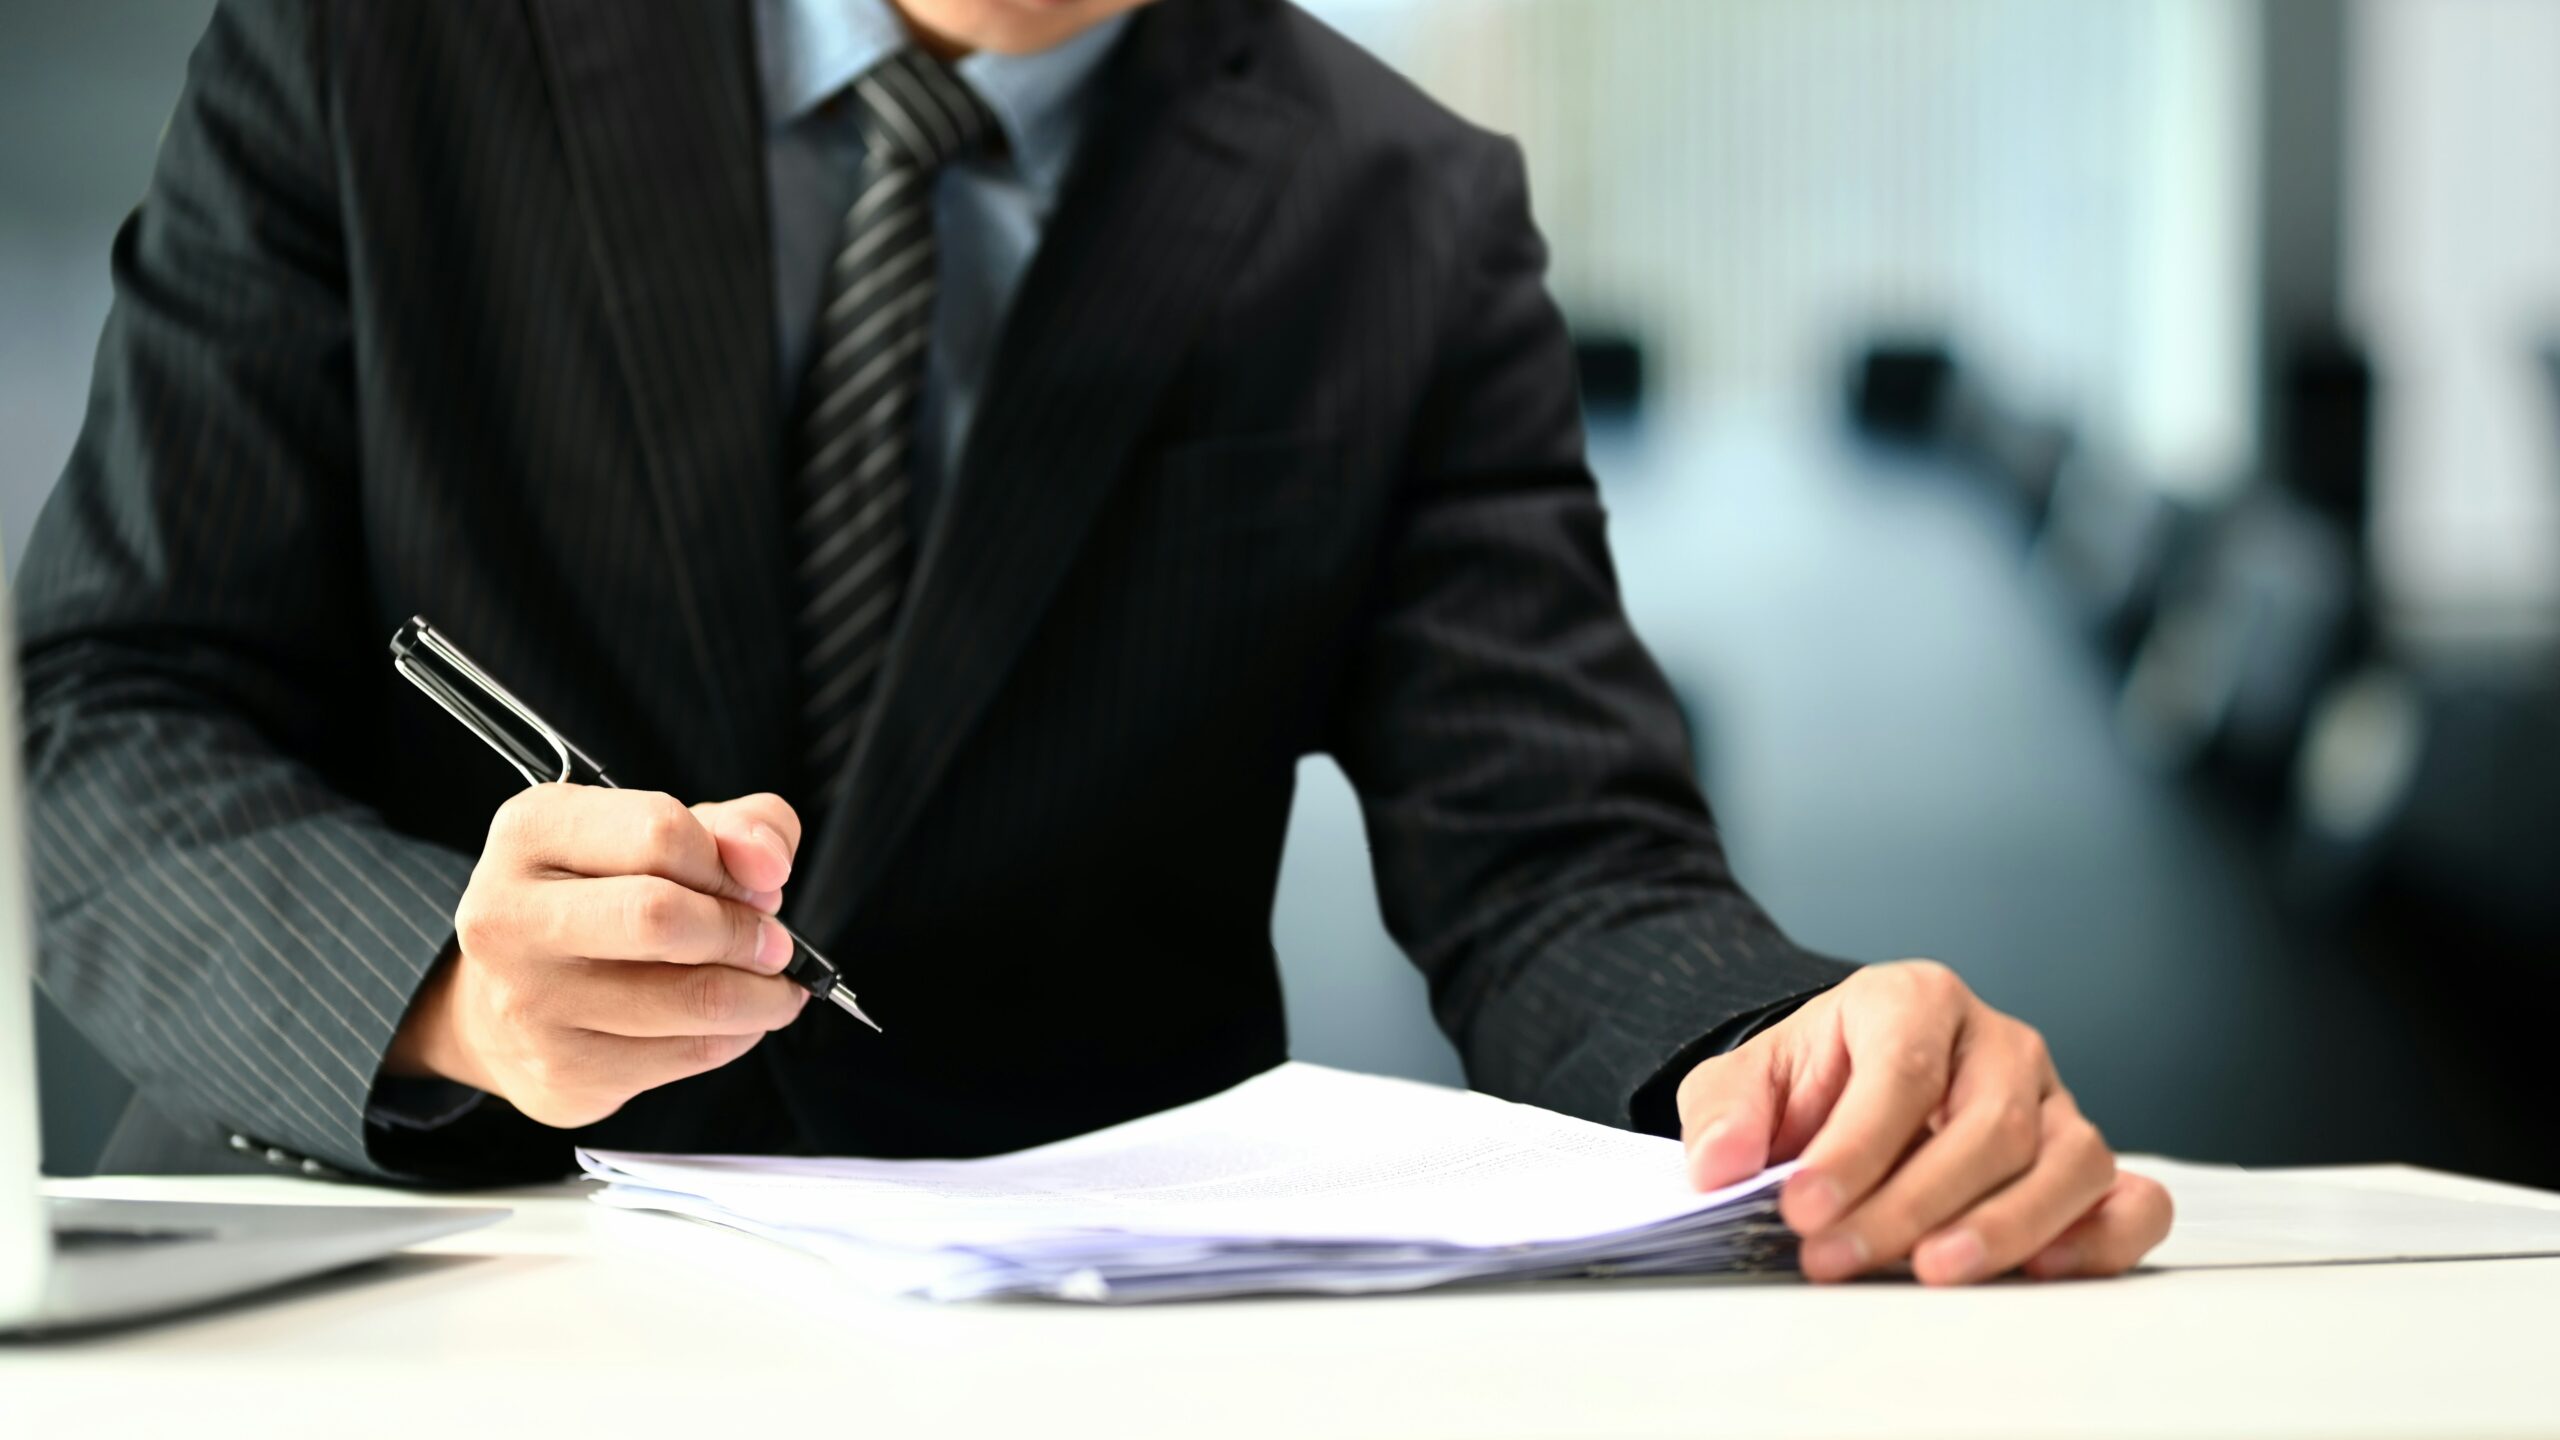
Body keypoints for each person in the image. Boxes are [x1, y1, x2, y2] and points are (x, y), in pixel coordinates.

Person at [14, 0, 2168, 1286]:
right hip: (416, 1279)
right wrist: (454, 996)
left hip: (1068, 1322)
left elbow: (1554, 859)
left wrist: (1777, 1055)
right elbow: (106, 707)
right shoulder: (370, 50)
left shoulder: (1395, 209)